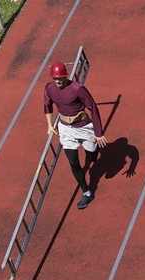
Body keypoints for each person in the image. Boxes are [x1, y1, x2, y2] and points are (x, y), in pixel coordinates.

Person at [44, 61, 107, 209]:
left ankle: (93, 151)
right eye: (55, 78)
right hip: (65, 129)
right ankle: (86, 192)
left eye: (60, 78)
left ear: (66, 76)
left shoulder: (78, 89)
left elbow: (93, 107)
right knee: (73, 162)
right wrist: (49, 124)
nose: (58, 81)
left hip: (83, 127)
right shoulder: (49, 88)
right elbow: (47, 105)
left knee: (92, 155)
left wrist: (98, 133)